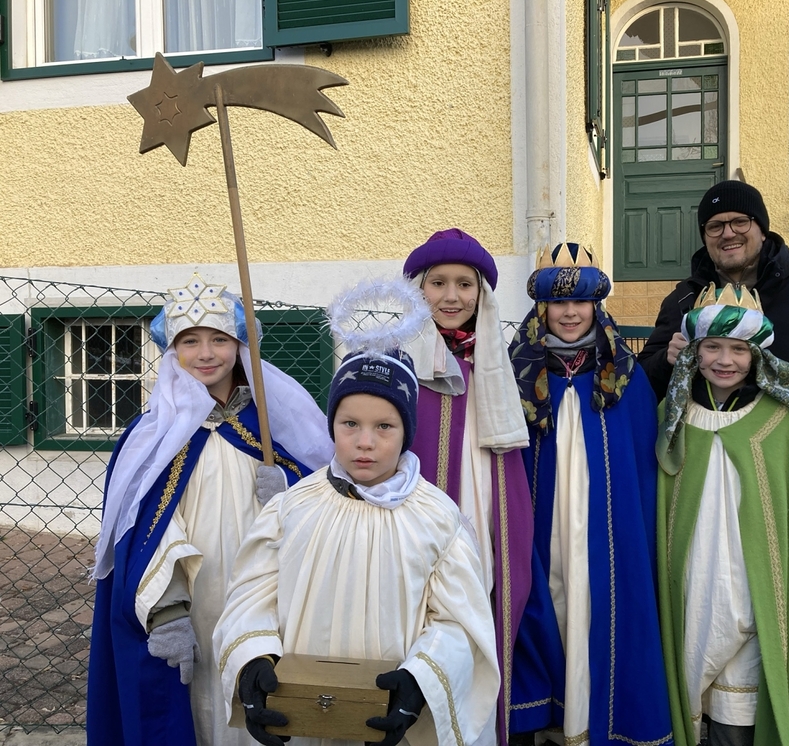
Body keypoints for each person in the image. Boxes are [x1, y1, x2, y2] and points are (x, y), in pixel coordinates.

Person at [213, 279, 499, 746]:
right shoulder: (292, 508)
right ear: (332, 425)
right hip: (300, 716)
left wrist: (420, 681)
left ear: (406, 431)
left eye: (384, 426)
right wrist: (254, 659)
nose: (365, 442)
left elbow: (458, 621)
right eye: (350, 424)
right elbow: (251, 598)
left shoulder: (437, 520)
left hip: (391, 721)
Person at [87, 274, 334, 746]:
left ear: (240, 345)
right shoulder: (152, 435)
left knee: (266, 684)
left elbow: (330, 492)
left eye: (219, 339)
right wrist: (166, 612)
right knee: (201, 701)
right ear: (171, 350)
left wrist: (290, 486)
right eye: (190, 341)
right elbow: (146, 532)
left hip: (268, 589)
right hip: (192, 599)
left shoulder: (277, 422)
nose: (206, 353)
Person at [655, 283, 789, 746]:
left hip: (757, 589)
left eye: (738, 350)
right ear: (694, 351)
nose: (724, 360)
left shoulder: (783, 424)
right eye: (712, 347)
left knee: (739, 713)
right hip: (693, 587)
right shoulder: (672, 418)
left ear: (757, 356)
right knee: (687, 690)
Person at [506, 243, 674, 746]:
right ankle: (545, 717)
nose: (570, 312)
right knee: (545, 604)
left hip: (608, 533)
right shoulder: (517, 374)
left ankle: (602, 722)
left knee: (601, 608)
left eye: (580, 301)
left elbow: (640, 464)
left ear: (596, 305)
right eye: (559, 302)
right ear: (542, 307)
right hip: (542, 526)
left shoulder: (625, 376)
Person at [637, 180, 789, 530]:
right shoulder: (683, 301)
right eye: (715, 226)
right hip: (703, 484)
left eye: (740, 221)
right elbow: (644, 383)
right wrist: (665, 361)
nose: (727, 233)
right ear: (704, 236)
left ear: (762, 229)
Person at [401, 228, 534, 743]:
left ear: (482, 293)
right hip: (424, 517)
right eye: (438, 283)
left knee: (489, 606)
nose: (452, 296)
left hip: (488, 507)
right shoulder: (400, 362)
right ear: (419, 290)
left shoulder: (497, 363)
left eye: (465, 284)